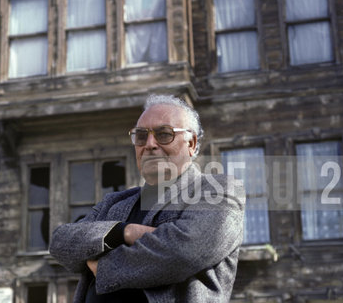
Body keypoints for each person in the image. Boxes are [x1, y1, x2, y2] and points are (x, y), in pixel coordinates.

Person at [49, 94, 245, 302]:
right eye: (141, 136)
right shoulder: (114, 202)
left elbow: (184, 251)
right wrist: (123, 231)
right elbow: (61, 242)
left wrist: (102, 264)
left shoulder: (218, 190)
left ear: (191, 143)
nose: (149, 144)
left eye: (164, 134)